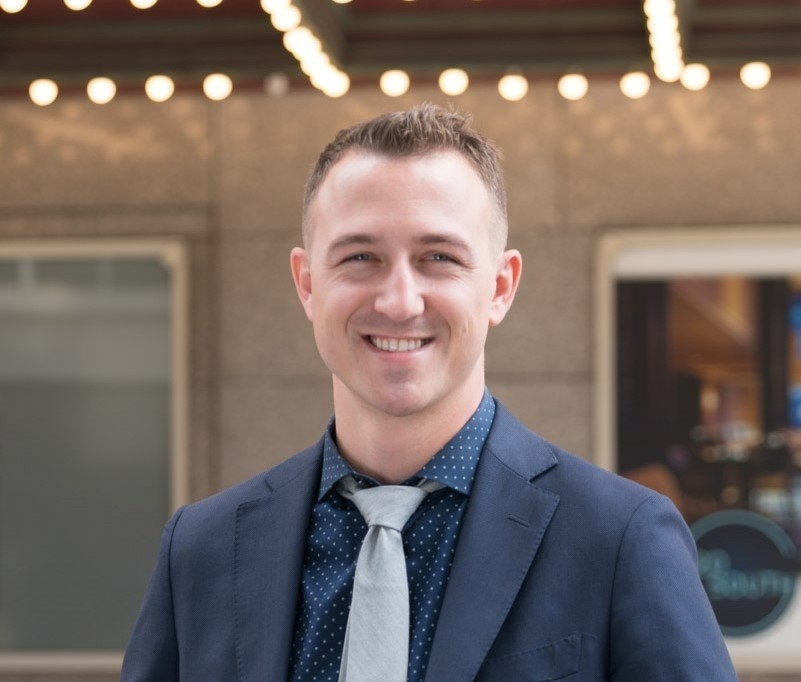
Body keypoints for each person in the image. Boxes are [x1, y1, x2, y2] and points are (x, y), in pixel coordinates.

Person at [121, 103, 737, 681]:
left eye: (438, 257)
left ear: (500, 287)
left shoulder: (620, 538)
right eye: (360, 256)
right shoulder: (201, 549)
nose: (399, 301)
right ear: (307, 284)